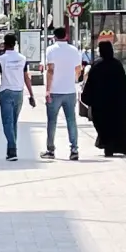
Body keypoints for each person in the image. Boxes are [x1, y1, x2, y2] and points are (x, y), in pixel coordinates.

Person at [0, 34, 35, 161]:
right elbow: (26, 77)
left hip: (6, 91)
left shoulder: (2, 59)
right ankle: (10, 149)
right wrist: (31, 94)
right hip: (18, 93)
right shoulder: (22, 59)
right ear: (15, 44)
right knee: (13, 122)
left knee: (7, 122)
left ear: (5, 44)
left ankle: (12, 150)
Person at [42, 26, 85, 161]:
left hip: (55, 91)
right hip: (70, 91)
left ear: (54, 37)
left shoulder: (51, 50)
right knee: (71, 121)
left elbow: (50, 70)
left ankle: (50, 149)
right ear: (66, 35)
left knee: (52, 121)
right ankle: (74, 149)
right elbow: (78, 69)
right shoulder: (73, 50)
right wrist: (74, 79)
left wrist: (48, 90)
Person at [82, 41, 126, 157]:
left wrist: (87, 98)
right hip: (117, 104)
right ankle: (118, 146)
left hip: (101, 104)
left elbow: (90, 84)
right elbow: (124, 84)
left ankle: (107, 144)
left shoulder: (97, 65)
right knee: (117, 125)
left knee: (102, 124)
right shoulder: (117, 65)